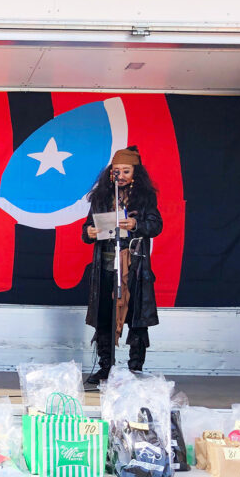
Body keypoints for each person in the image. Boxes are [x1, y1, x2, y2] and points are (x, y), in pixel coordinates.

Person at [81, 146, 162, 384]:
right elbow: (86, 229)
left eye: (126, 171)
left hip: (134, 266)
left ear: (135, 173)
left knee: (136, 318)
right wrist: (90, 232)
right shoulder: (101, 198)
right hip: (106, 265)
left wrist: (136, 224)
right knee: (105, 316)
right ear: (110, 173)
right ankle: (105, 367)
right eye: (117, 171)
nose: (121, 176)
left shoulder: (145, 198)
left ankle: (135, 369)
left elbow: (156, 225)